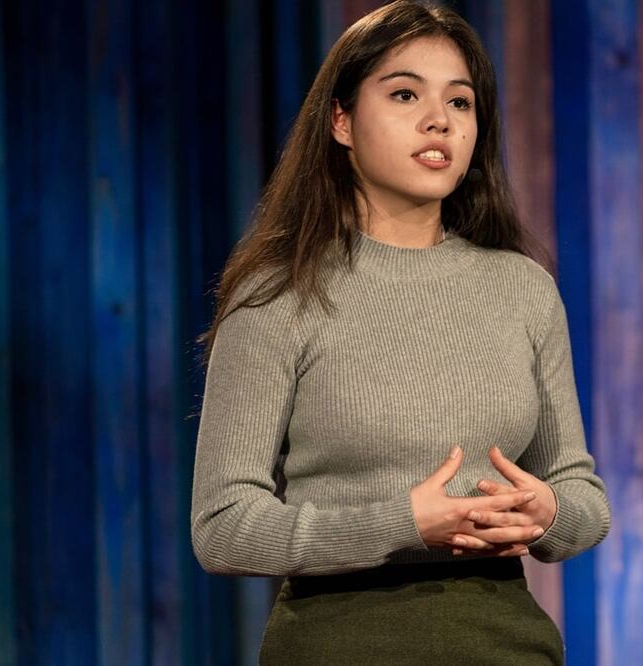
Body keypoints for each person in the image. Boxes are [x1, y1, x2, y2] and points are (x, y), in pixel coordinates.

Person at [189, 1, 611, 663]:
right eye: (405, 94)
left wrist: (546, 513)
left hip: (505, 644)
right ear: (340, 120)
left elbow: (580, 493)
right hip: (335, 644)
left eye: (461, 103)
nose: (438, 120)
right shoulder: (277, 294)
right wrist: (401, 524)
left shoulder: (522, 289)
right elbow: (223, 529)